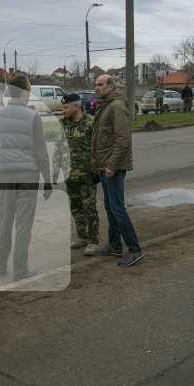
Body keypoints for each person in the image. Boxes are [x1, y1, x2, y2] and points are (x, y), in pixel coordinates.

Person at [0, 74, 52, 281]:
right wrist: (48, 179)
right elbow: (41, 152)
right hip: (28, 174)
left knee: (5, 220)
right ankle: (20, 269)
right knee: (23, 223)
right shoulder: (33, 117)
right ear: (25, 92)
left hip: (5, 174)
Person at [91, 75, 144, 267]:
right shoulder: (104, 105)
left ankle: (135, 249)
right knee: (110, 206)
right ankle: (115, 245)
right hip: (104, 166)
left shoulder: (116, 107)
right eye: (95, 85)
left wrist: (112, 166)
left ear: (111, 87)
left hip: (113, 167)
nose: (96, 88)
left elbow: (123, 140)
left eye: (100, 84)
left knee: (118, 208)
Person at [51, 93, 99, 254]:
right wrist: (55, 171)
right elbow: (58, 149)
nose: (63, 110)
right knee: (76, 208)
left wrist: (97, 170)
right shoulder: (62, 124)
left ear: (76, 106)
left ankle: (93, 241)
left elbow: (99, 149)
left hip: (87, 175)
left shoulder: (91, 123)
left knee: (89, 208)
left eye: (65, 107)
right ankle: (82, 237)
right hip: (69, 175)